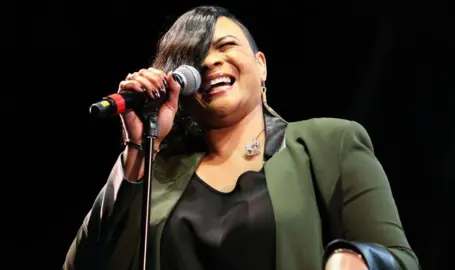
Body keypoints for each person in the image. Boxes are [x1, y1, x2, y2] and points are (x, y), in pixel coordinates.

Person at [64, 5, 420, 270]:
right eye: (193, 59)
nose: (209, 62)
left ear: (261, 64)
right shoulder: (155, 174)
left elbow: (400, 260)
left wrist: (356, 259)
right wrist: (139, 149)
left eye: (225, 45)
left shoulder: (329, 144)